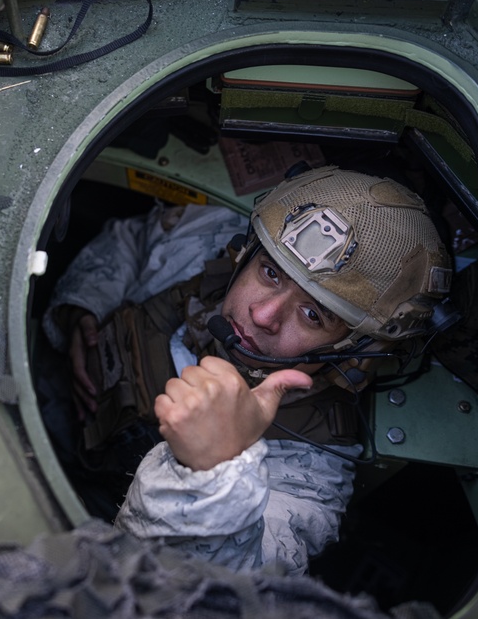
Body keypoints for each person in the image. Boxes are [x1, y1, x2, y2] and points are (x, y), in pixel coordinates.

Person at [40, 165, 453, 575]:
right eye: (270, 273)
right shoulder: (212, 234)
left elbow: (211, 582)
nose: (262, 313)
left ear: (356, 350)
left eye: (313, 314)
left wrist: (213, 471)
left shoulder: (309, 481)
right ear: (249, 252)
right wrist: (83, 307)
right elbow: (132, 242)